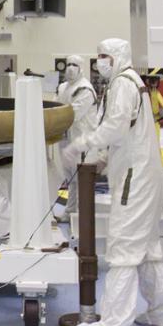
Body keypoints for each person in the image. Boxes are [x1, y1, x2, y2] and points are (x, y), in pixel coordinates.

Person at [61, 37, 163, 326]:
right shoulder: (131, 83)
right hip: (146, 175)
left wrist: (83, 144)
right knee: (149, 248)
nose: (100, 62)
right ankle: (161, 312)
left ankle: (114, 325)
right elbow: (128, 130)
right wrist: (105, 158)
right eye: (97, 56)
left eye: (104, 56)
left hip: (134, 180)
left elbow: (115, 126)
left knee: (123, 247)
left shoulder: (124, 83)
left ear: (118, 57)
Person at [55, 54, 102, 219]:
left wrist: (55, 118)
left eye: (74, 65)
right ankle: (70, 212)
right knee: (69, 178)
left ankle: (82, 215)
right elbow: (56, 108)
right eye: (68, 64)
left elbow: (73, 113)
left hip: (81, 141)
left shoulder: (85, 89)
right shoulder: (63, 88)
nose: (70, 68)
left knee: (81, 179)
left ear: (81, 68)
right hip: (66, 138)